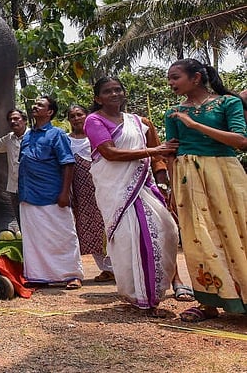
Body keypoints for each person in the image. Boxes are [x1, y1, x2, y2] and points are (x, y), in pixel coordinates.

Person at [83, 77, 181, 313]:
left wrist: (163, 182)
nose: (114, 94)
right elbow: (109, 153)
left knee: (166, 230)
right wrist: (153, 150)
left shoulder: (139, 122)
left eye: (118, 89)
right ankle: (140, 295)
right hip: (117, 190)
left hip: (144, 187)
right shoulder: (93, 120)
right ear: (98, 98)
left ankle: (162, 287)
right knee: (130, 237)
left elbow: (158, 159)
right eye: (108, 91)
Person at [164, 59, 247, 322]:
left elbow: (241, 141)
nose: (171, 83)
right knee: (198, 237)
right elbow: (171, 152)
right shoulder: (174, 113)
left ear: (196, 78)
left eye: (176, 77)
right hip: (189, 177)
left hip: (225, 174)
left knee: (237, 231)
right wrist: (172, 188)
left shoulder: (228, 103)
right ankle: (208, 302)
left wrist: (195, 125)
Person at [17, 96, 83, 289]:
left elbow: (68, 164)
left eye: (40, 105)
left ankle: (72, 275)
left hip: (52, 194)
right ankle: (40, 276)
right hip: (28, 195)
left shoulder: (57, 134)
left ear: (50, 112)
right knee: (35, 239)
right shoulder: (27, 136)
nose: (35, 107)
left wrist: (65, 193)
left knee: (63, 235)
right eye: (35, 104)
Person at [67, 104, 114, 282]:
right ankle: (106, 268)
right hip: (80, 191)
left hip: (102, 186)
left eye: (80, 114)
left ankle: (118, 266)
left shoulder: (96, 136)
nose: (77, 118)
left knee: (108, 225)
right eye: (72, 116)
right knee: (89, 229)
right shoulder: (66, 140)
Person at [0, 108, 29, 237]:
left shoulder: (34, 136)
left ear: (24, 120)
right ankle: (27, 250)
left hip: (32, 187)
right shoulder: (9, 138)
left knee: (35, 219)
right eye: (10, 120)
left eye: (16, 118)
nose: (13, 121)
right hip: (14, 188)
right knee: (21, 219)